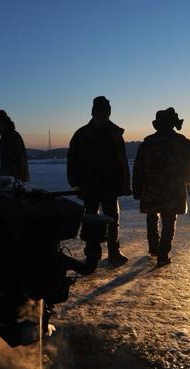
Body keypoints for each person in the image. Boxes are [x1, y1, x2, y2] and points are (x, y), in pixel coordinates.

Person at [67, 96, 132, 266]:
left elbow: (122, 160)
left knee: (112, 219)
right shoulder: (82, 134)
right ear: (93, 113)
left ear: (109, 113)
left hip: (110, 185)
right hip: (89, 185)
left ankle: (113, 251)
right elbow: (72, 160)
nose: (102, 115)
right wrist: (75, 183)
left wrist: (124, 183)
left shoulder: (115, 133)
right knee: (91, 219)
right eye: (99, 112)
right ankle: (92, 252)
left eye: (105, 112)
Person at [132, 107, 190, 266]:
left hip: (151, 190)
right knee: (169, 220)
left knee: (152, 216)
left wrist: (137, 189)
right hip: (173, 189)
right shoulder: (181, 142)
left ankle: (154, 248)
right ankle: (163, 253)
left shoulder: (147, 143)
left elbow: (138, 169)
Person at [0, 110, 30, 182]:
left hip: (16, 182)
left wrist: (15, 182)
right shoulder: (5, 137)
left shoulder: (12, 137)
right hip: (11, 181)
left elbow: (19, 163)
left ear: (3, 123)